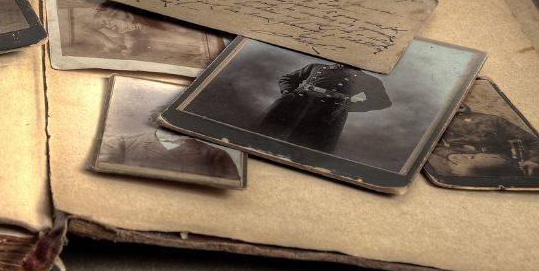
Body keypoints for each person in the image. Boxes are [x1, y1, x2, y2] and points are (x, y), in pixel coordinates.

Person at [256, 61, 391, 152]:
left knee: (306, 149)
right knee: (265, 137)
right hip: (293, 105)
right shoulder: (316, 66)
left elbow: (382, 101)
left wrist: (347, 106)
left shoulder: (369, 80)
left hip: (328, 114)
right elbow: (287, 78)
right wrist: (288, 93)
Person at [99, 104, 240, 181]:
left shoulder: (215, 156)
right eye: (168, 122)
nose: (173, 129)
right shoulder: (121, 144)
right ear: (154, 121)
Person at [432, 103, 539, 177]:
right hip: (459, 158)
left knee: (466, 170)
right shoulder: (435, 123)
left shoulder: (491, 120)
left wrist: (535, 161)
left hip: (495, 158)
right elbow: (431, 145)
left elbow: (536, 142)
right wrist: (450, 154)